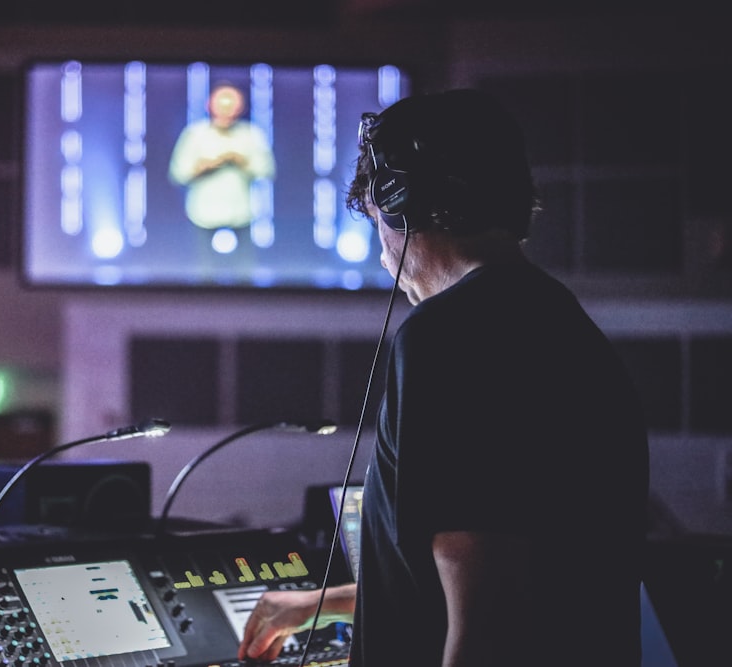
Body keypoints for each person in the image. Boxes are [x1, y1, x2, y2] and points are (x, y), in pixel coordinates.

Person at [237, 89, 649, 666]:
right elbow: (516, 572)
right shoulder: (560, 319)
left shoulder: (449, 335)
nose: (383, 256)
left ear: (402, 205)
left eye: (379, 223)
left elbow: (490, 617)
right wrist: (322, 604)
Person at [168, 83, 275, 256]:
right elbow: (178, 174)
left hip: (241, 216)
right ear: (209, 106)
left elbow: (267, 171)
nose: (226, 113)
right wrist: (201, 168)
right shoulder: (195, 134)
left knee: (244, 276)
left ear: (240, 109)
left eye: (231, 108)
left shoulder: (251, 134)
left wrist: (241, 162)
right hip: (202, 217)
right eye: (221, 107)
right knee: (204, 276)